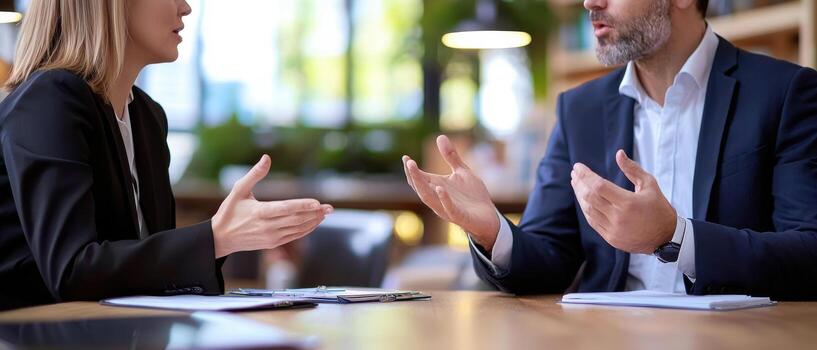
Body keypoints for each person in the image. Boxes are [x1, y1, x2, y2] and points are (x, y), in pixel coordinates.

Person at [403, 0, 817, 300]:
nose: (590, 3)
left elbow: (808, 253)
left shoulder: (783, 93)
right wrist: (491, 229)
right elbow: (550, 258)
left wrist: (674, 236)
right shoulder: (578, 109)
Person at [0, 0, 333, 310]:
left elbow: (144, 274)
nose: (185, 7)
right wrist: (216, 238)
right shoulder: (49, 100)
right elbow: (72, 273)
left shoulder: (147, 117)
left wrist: (225, 240)